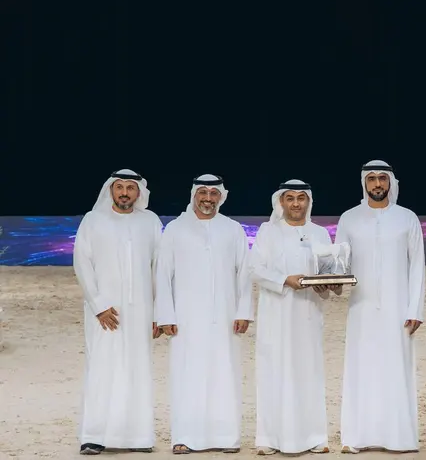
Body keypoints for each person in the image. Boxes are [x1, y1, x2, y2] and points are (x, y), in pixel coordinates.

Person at [154, 174, 253, 454]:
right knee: (187, 375)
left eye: (213, 193)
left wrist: (244, 310)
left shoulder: (232, 229)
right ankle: (184, 437)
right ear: (194, 195)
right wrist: (165, 315)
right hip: (185, 319)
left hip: (225, 316)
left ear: (221, 196)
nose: (208, 198)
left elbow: (244, 273)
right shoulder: (175, 229)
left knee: (225, 373)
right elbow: (163, 274)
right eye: (203, 193)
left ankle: (227, 437)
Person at [336, 160, 426, 454]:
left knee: (395, 369)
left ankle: (399, 437)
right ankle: (357, 436)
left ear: (390, 183)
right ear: (364, 182)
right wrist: (330, 281)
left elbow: (417, 269)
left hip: (398, 310)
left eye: (382, 179)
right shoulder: (349, 219)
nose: (377, 184)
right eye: (372, 178)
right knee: (361, 368)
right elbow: (338, 265)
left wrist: (415, 309)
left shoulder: (407, 218)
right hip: (360, 309)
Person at [71, 169, 163, 455]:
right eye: (119, 187)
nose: (125, 193)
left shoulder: (150, 221)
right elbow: (82, 263)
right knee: (102, 369)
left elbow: (158, 268)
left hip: (141, 311)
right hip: (104, 312)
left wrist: (158, 312)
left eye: (130, 188)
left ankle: (137, 437)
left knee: (137, 369)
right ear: (111, 190)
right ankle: (93, 435)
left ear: (139, 193)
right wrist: (98, 305)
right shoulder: (93, 220)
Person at [249, 179, 339, 455]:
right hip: (275, 313)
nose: (296, 203)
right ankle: (269, 438)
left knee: (308, 372)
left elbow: (329, 271)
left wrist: (329, 284)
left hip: (308, 314)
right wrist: (284, 280)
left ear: (308, 202)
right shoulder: (267, 231)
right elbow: (255, 269)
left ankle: (314, 437)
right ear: (281, 202)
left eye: (302, 198)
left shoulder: (320, 234)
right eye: (290, 198)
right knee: (272, 371)